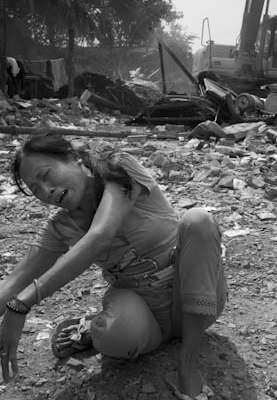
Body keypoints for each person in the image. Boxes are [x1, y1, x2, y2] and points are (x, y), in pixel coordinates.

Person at [0, 132, 227, 399]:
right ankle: (92, 328)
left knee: (198, 220)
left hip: (196, 299)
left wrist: (22, 304)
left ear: (74, 157)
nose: (46, 190)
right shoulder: (61, 227)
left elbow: (100, 235)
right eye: (36, 189)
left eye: (47, 174)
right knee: (113, 337)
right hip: (144, 313)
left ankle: (187, 364)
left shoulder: (120, 169)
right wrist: (12, 302)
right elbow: (17, 278)